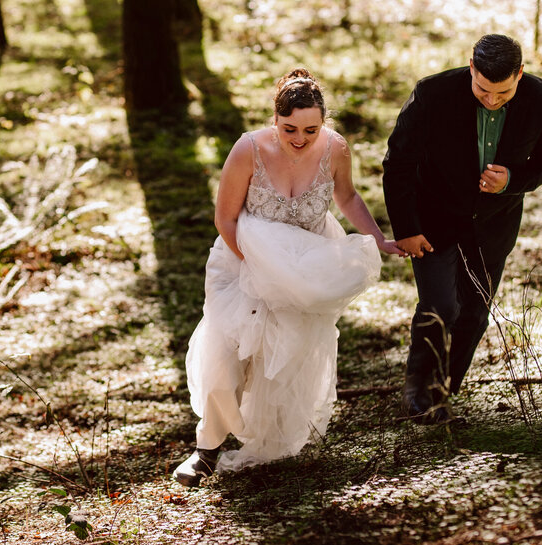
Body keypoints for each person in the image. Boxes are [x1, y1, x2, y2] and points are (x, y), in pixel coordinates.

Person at [173, 69, 405, 488]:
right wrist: (258, 268)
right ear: (274, 119)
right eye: (289, 129)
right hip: (241, 263)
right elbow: (225, 218)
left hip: (305, 269)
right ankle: (205, 449)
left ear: (324, 123)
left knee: (284, 354)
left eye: (311, 129)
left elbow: (347, 197)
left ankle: (268, 438)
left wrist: (377, 239)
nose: (299, 138)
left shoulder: (336, 149)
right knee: (228, 350)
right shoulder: (248, 149)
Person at [383, 34, 542, 424]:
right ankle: (419, 394)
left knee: (473, 314)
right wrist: (406, 228)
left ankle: (443, 391)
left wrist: (513, 179)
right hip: (432, 221)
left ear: (520, 74)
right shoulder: (432, 94)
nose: (491, 99)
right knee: (439, 306)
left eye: (502, 92)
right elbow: (397, 163)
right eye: (483, 89)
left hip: (493, 227)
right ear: (471, 68)